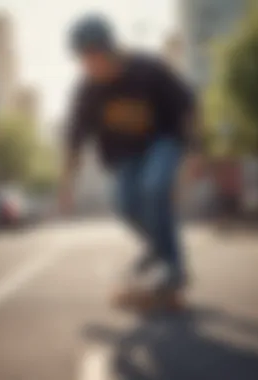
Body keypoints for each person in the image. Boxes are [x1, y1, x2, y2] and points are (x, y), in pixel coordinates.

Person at [59, 15, 202, 312]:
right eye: (84, 61)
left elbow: (188, 104)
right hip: (125, 157)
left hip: (163, 141)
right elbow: (75, 139)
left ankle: (173, 268)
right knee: (124, 205)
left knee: (154, 186)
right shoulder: (88, 90)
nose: (91, 67)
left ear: (110, 50)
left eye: (95, 58)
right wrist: (67, 185)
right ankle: (159, 250)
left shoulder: (147, 69)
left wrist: (196, 151)